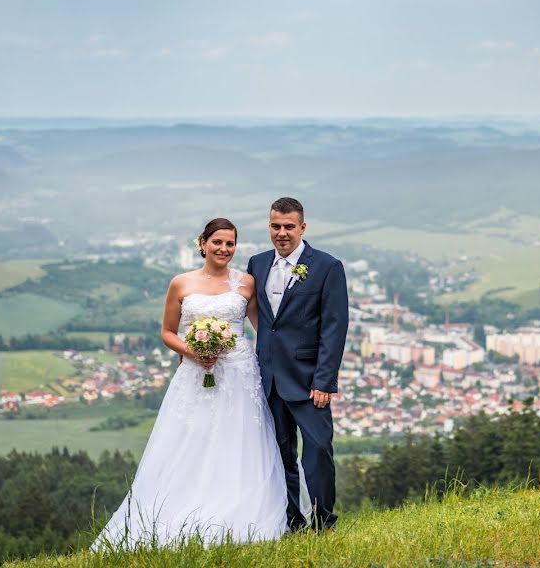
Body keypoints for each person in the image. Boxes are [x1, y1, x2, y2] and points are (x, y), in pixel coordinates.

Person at [93, 218, 287, 550]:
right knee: (193, 439)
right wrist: (193, 351)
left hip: (240, 374)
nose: (224, 249)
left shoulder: (246, 283)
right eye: (218, 243)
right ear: (203, 244)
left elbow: (262, 329)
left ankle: (238, 513)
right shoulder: (181, 283)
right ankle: (186, 510)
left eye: (230, 244)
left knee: (239, 439)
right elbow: (168, 332)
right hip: (195, 374)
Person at [247, 197, 349, 532]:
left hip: (309, 382)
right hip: (269, 378)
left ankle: (324, 522)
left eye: (289, 226)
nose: (281, 233)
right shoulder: (257, 264)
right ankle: (292, 520)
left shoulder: (326, 267)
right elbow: (264, 321)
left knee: (318, 452)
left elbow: (334, 328)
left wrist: (324, 381)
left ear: (303, 227)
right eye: (275, 226)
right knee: (280, 455)